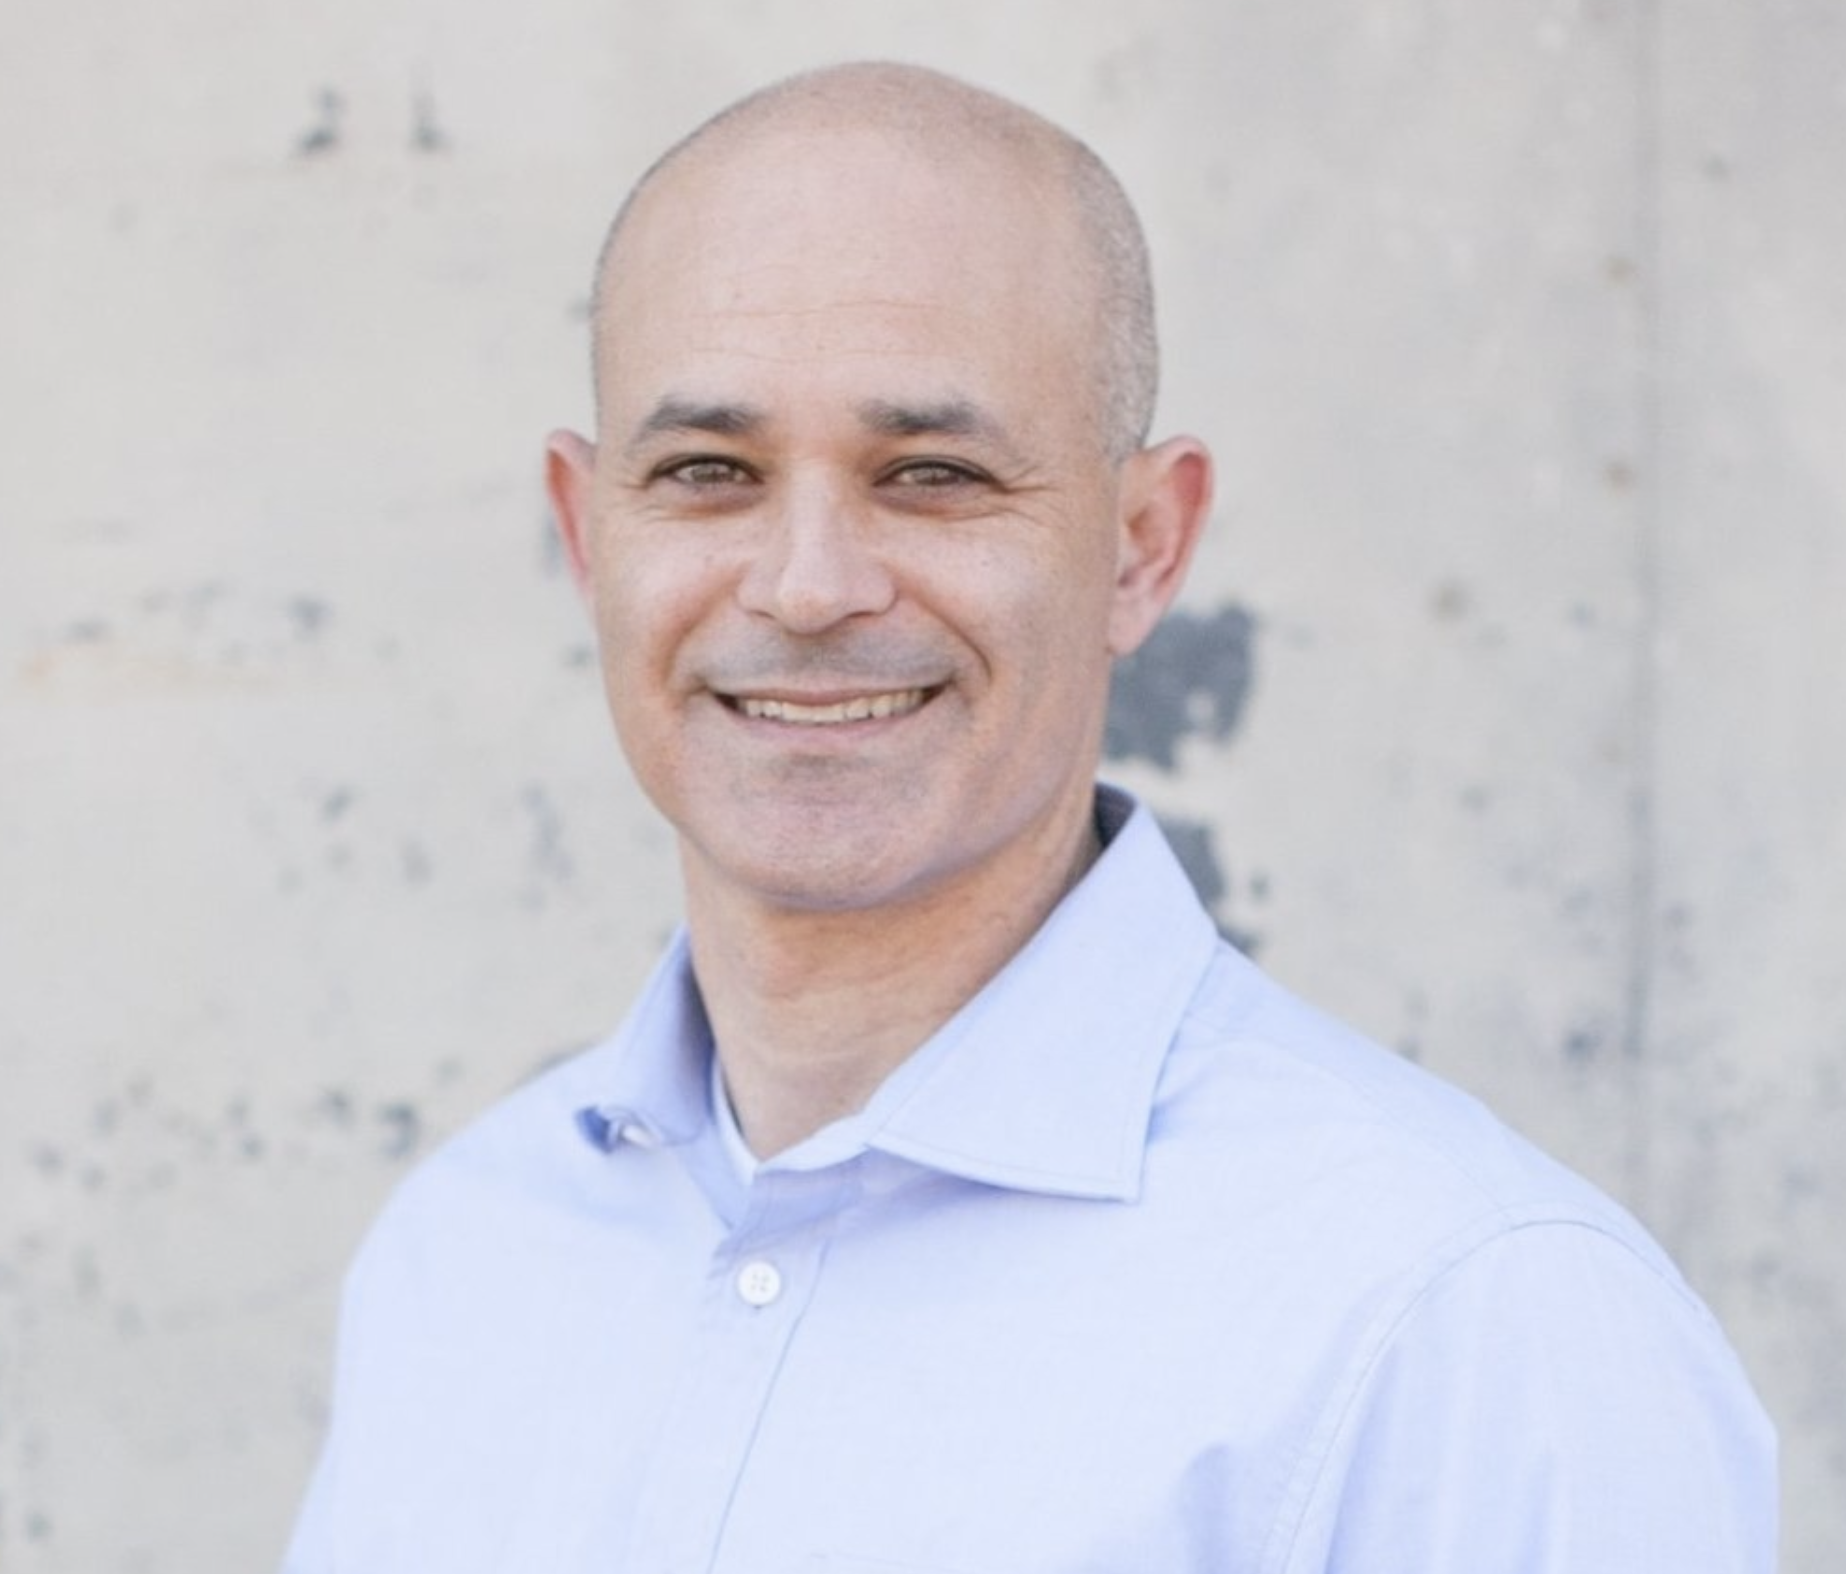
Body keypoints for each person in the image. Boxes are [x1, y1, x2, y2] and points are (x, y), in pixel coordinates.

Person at [282, 61, 1775, 1573]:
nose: (807, 585)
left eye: (931, 474)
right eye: (708, 472)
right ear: (586, 532)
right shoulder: (462, 1256)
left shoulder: (1463, 1323)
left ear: (1142, 546)